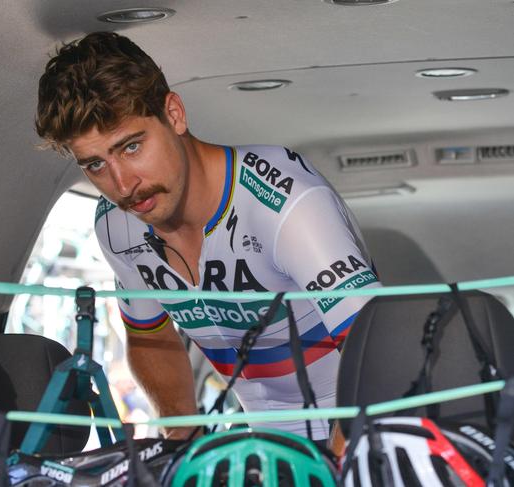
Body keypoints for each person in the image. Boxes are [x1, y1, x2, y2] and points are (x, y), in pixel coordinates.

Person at [35, 32, 382, 441]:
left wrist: (337, 466)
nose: (123, 185)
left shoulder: (284, 199)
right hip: (260, 436)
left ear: (175, 114)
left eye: (131, 147)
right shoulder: (115, 223)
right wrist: (180, 444)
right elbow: (150, 335)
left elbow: (375, 348)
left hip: (361, 424)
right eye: (95, 165)